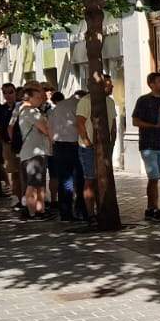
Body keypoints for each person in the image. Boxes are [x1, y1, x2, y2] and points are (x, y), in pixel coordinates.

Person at [75, 75, 118, 221]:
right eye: (108, 85)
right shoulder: (85, 101)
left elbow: (113, 124)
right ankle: (90, 213)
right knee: (90, 179)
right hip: (89, 148)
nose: (111, 87)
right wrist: (87, 141)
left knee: (104, 178)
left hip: (105, 146)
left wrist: (112, 143)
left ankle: (103, 209)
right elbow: (80, 123)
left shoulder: (110, 102)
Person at [132, 72, 160, 223]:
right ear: (151, 84)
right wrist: (153, 126)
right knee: (153, 178)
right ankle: (154, 208)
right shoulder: (143, 100)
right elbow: (135, 121)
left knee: (156, 177)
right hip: (148, 144)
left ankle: (150, 208)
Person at [49, 89, 88, 222]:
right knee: (80, 179)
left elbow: (50, 126)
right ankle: (81, 209)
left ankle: (66, 212)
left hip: (59, 146)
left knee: (65, 180)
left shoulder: (59, 106)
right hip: (75, 145)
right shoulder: (79, 105)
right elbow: (81, 125)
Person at [17, 86, 54, 219]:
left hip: (32, 151)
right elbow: (45, 128)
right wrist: (52, 138)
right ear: (29, 97)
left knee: (38, 184)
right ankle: (30, 211)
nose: (41, 100)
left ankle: (40, 210)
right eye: (38, 97)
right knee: (33, 184)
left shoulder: (23, 111)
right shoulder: (31, 111)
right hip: (35, 152)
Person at [0, 84, 20, 205]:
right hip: (7, 144)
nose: (8, 95)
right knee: (12, 171)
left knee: (23, 171)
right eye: (5, 93)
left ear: (15, 92)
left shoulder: (21, 106)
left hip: (22, 143)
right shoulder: (1, 109)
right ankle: (15, 196)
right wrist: (4, 141)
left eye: (10, 92)